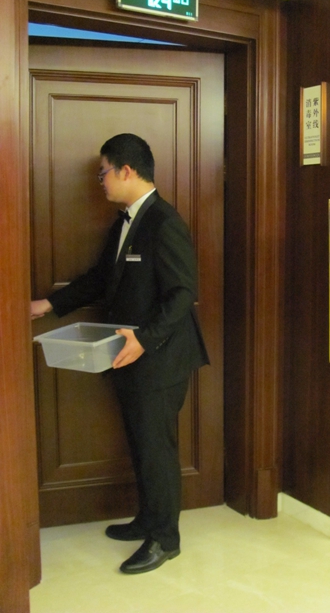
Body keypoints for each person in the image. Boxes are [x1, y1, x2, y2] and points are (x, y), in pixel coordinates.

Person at [31, 133, 209, 574]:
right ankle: (147, 519)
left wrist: (144, 339)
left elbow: (182, 293)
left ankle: (165, 539)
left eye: (103, 173)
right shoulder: (125, 221)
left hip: (159, 357)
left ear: (126, 171)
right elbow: (100, 278)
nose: (101, 182)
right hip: (127, 355)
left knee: (157, 450)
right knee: (142, 445)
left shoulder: (163, 222)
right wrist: (48, 304)